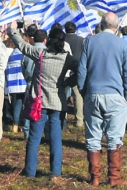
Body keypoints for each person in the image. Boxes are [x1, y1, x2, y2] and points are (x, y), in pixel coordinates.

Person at [8, 22, 78, 180]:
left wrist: (13, 30)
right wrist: (69, 82)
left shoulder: (40, 54)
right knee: (55, 139)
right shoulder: (66, 58)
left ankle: (30, 172)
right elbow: (81, 69)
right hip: (58, 102)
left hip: (39, 102)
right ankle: (55, 173)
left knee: (34, 138)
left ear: (47, 40)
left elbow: (21, 45)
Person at [78, 12, 127, 187]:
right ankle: (114, 178)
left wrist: (84, 92)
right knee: (114, 137)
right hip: (115, 95)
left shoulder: (90, 41)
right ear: (116, 26)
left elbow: (82, 71)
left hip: (93, 93)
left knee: (93, 137)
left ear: (102, 23)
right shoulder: (123, 44)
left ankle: (94, 177)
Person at [65, 21, 85, 128]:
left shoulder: (62, 40)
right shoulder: (81, 40)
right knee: (78, 96)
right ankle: (79, 120)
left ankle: (63, 119)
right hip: (78, 69)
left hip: (64, 70)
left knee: (63, 95)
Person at [5, 40, 27, 134]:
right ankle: (25, 125)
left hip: (14, 84)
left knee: (18, 103)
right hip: (24, 83)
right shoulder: (24, 53)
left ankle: (15, 125)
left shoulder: (12, 55)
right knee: (26, 105)